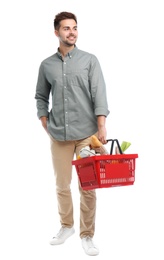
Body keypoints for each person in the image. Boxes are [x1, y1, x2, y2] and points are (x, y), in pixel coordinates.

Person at [35, 11, 109, 256]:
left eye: (74, 27)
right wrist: (45, 122)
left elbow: (99, 95)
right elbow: (41, 97)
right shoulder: (47, 65)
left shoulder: (90, 60)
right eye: (66, 28)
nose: (72, 32)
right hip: (59, 135)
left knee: (88, 186)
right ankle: (66, 226)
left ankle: (87, 235)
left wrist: (102, 126)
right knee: (61, 185)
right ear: (56, 32)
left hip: (87, 134)